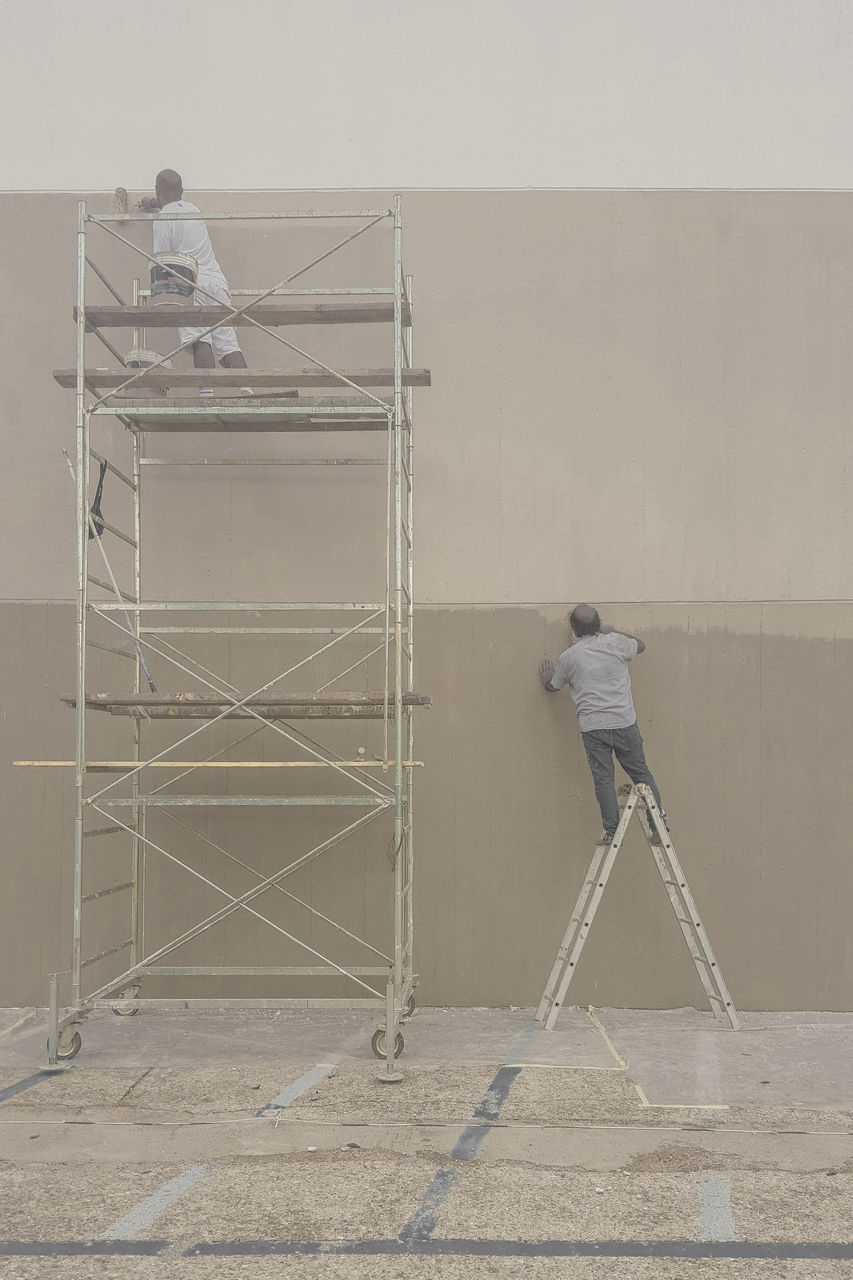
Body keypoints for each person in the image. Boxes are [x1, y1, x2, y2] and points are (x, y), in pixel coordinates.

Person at [539, 603, 667, 843]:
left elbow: (554, 686)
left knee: (604, 780)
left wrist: (546, 679)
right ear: (598, 624)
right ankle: (657, 824)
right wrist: (616, 631)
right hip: (624, 722)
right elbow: (640, 646)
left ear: (573, 628)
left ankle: (611, 831)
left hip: (593, 727)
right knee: (641, 773)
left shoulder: (569, 657)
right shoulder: (614, 642)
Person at [143, 169, 250, 395]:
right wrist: (153, 202)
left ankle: (206, 394)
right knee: (228, 342)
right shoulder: (195, 210)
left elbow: (161, 259)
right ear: (182, 190)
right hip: (217, 281)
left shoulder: (163, 219)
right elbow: (170, 202)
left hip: (191, 282)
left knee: (200, 339)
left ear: (157, 190)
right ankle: (247, 390)